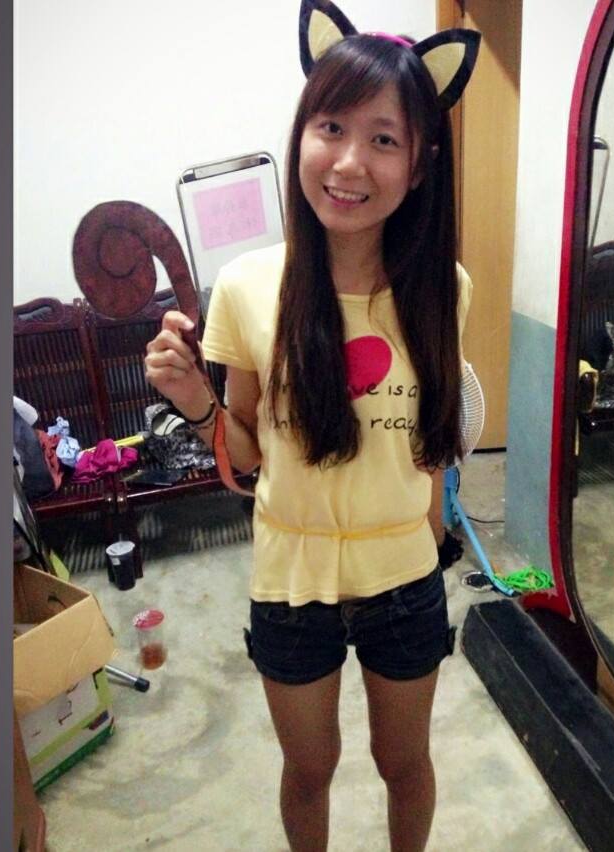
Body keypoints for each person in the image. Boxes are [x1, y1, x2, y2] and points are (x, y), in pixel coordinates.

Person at [144, 3, 479, 849]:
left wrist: (432, 540)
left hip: (403, 575)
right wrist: (195, 402)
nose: (350, 161)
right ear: (302, 134)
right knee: (308, 770)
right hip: (290, 578)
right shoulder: (248, 287)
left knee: (406, 763)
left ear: (419, 164)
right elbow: (246, 458)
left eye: (384, 138)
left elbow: (430, 441)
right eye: (331, 127)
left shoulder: (444, 289)